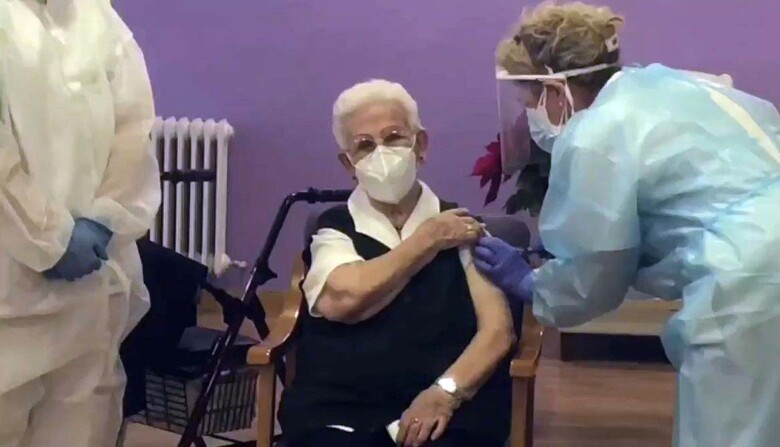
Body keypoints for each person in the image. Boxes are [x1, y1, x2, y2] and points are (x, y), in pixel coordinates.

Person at [473, 2, 780, 446]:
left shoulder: (597, 131)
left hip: (754, 282)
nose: (532, 118)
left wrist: (536, 285)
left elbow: (598, 270)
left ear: (555, 89)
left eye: (531, 103)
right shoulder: (681, 85)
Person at [278, 80, 516, 447]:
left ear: (420, 145)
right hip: (340, 409)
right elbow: (345, 300)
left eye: (393, 138)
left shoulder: (461, 227)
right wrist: (427, 240)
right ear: (348, 163)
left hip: (446, 410)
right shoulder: (334, 228)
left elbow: (497, 332)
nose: (382, 153)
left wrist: (444, 393)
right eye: (364, 145)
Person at [0, 0, 160, 446]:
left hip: (94, 278)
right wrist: (46, 235)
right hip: (11, 282)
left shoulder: (95, 14)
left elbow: (134, 127)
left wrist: (106, 217)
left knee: (85, 420)